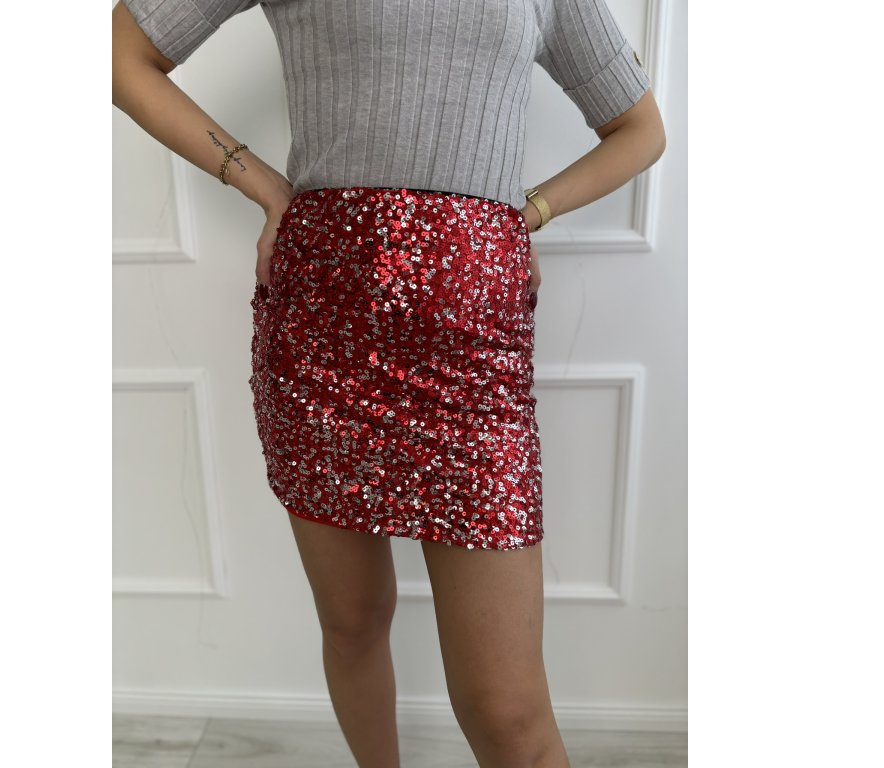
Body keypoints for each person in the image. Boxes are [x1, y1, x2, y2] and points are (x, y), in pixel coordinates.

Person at [113, 0, 665, 765]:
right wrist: (262, 184)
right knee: (353, 622)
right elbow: (121, 55)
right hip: (321, 341)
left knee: (507, 711)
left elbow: (640, 128)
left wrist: (527, 213)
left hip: (475, 363)